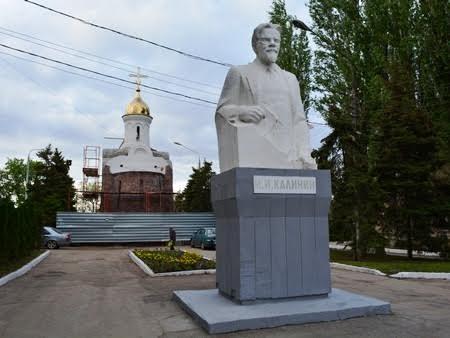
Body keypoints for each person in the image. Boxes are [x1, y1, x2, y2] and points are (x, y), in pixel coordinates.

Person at [215, 23, 316, 172]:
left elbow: (299, 120)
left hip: (289, 154)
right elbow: (222, 110)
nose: (272, 44)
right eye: (266, 40)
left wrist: (304, 152)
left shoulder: (290, 79)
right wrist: (240, 112)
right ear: (255, 44)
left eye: (276, 41)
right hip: (256, 152)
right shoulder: (239, 73)